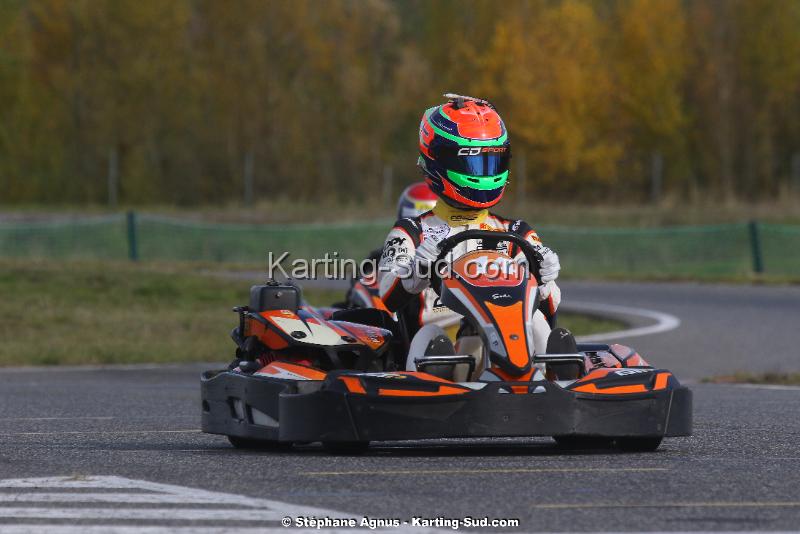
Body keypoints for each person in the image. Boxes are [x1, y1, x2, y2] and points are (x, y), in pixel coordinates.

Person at [376, 94, 563, 367]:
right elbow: (388, 296)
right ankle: (433, 392)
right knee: (431, 337)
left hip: (508, 346)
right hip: (441, 356)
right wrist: (416, 271)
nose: (484, 173)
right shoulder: (413, 233)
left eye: (492, 161)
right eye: (473, 162)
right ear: (439, 160)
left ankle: (555, 383)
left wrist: (546, 282)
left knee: (535, 322)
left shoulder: (516, 234)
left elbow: (550, 311)